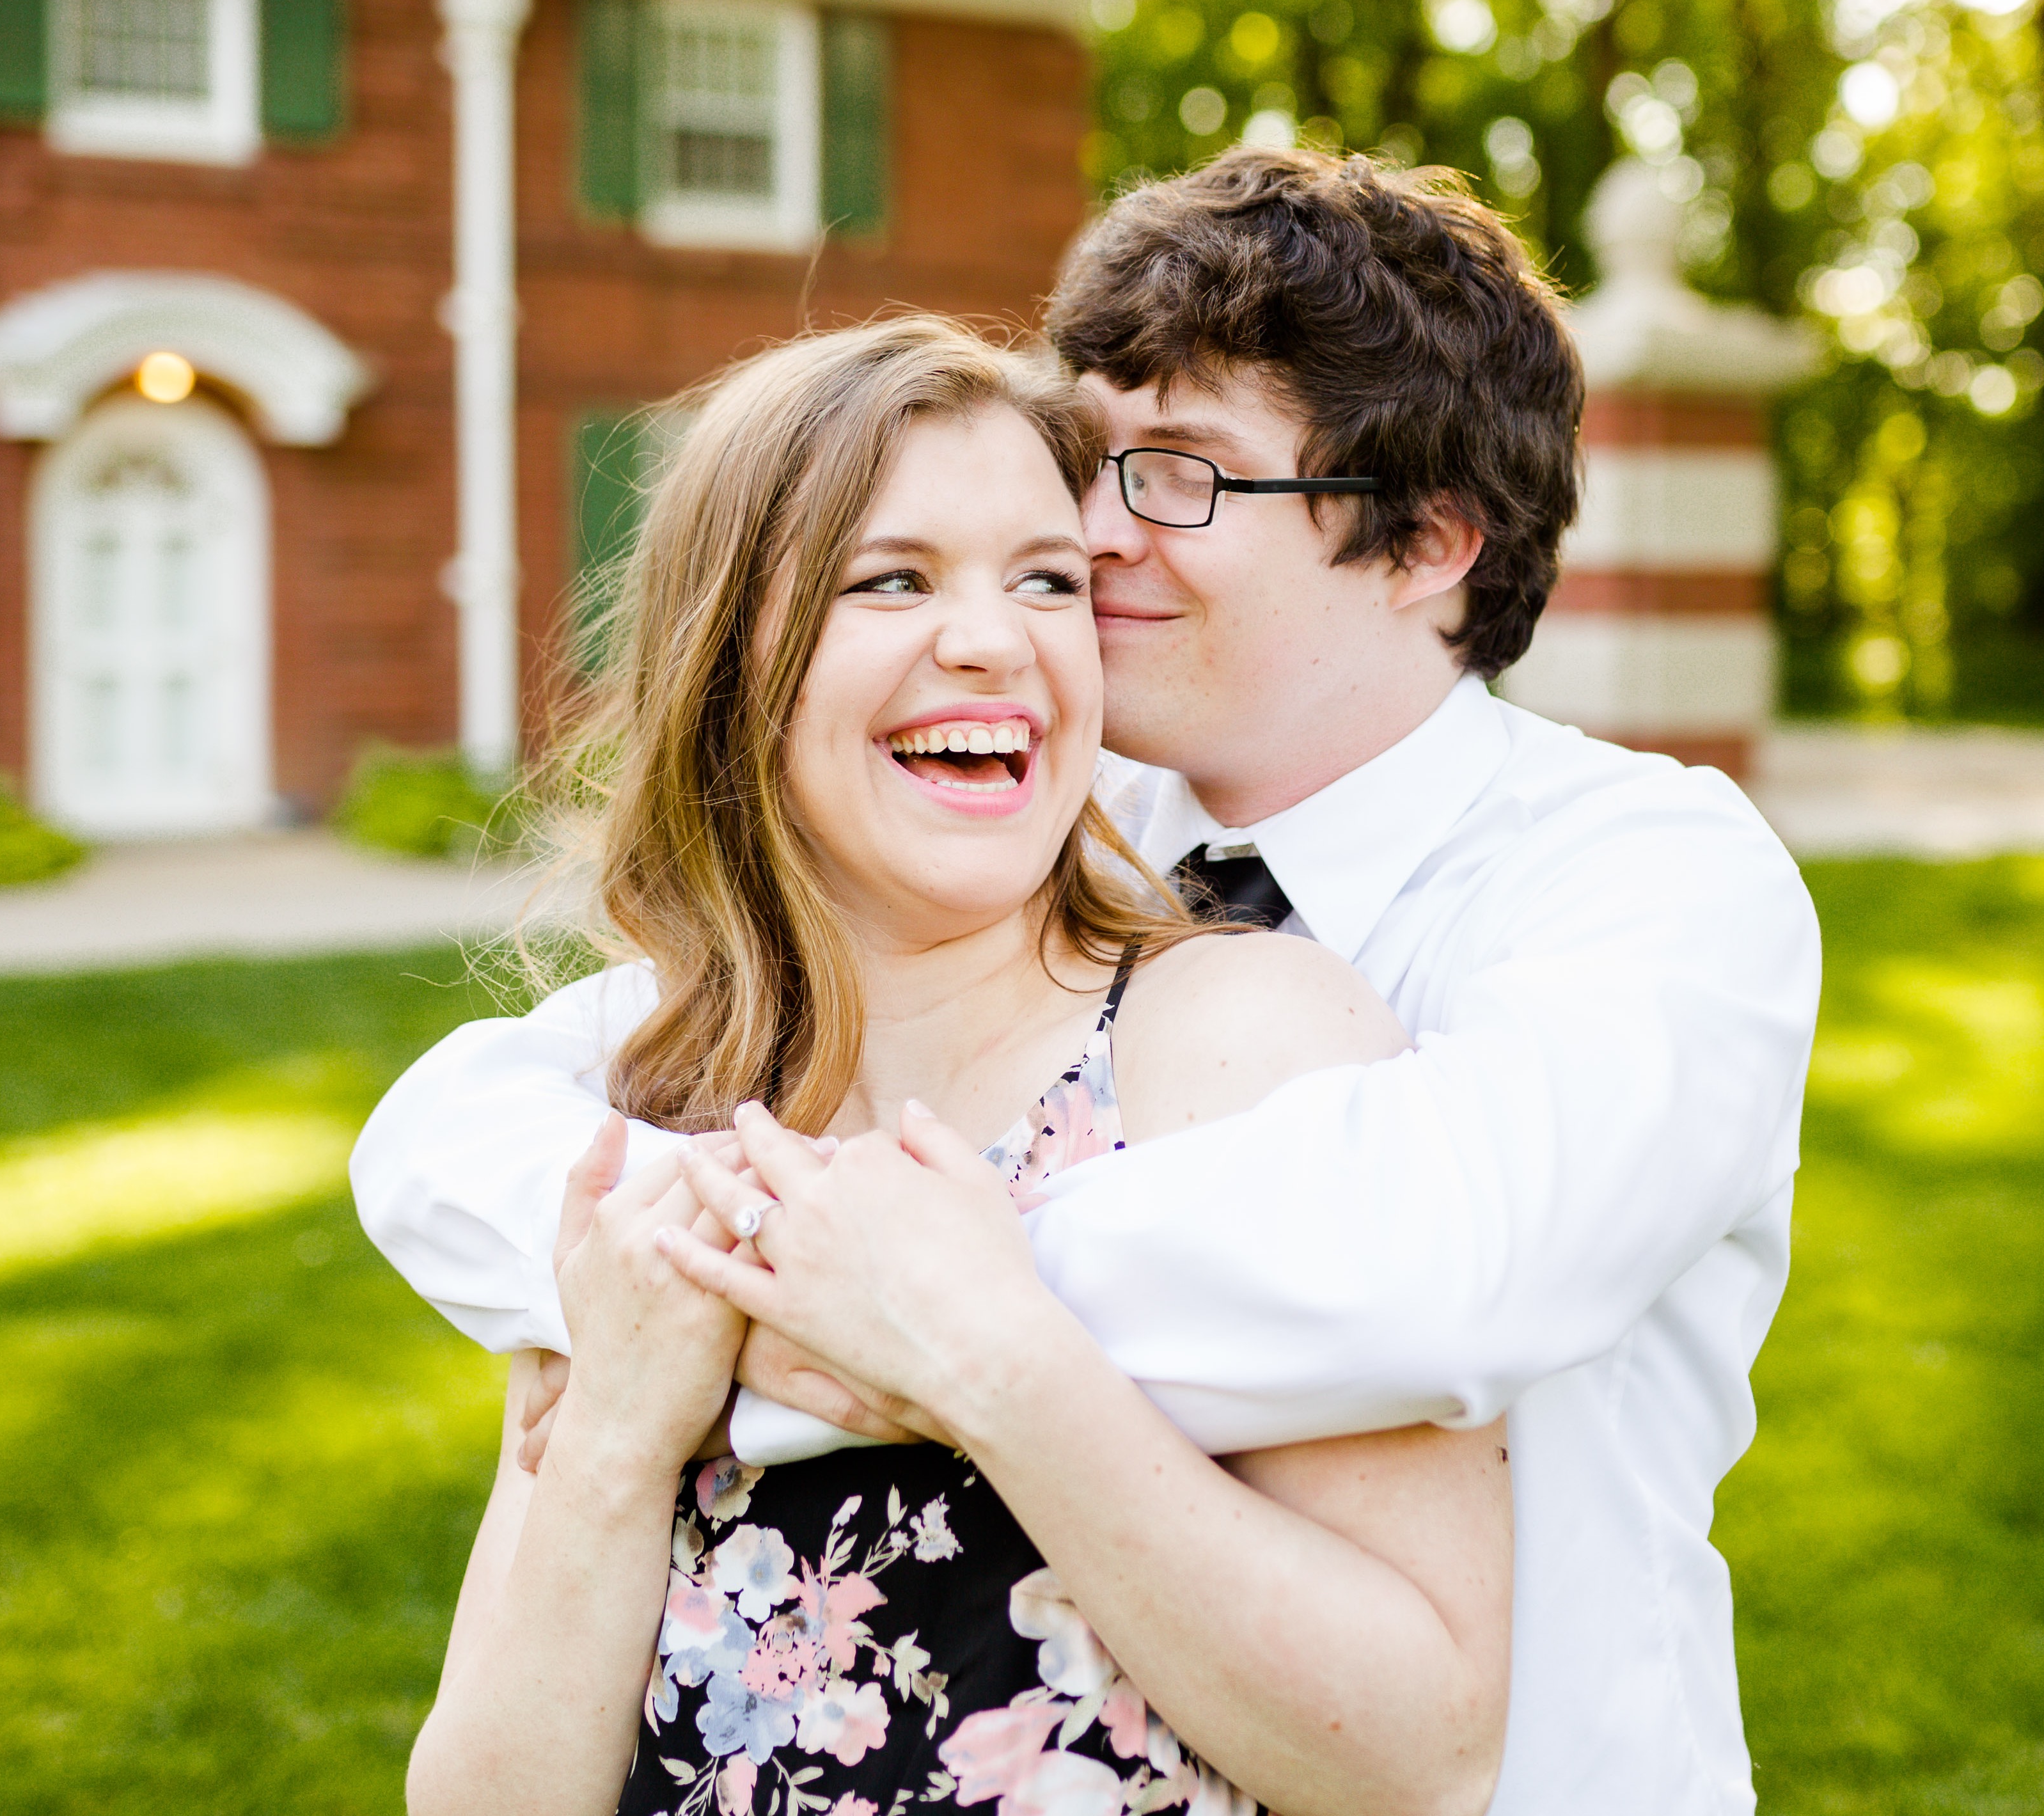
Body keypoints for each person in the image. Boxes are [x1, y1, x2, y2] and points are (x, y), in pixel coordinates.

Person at [358, 148, 1822, 1813]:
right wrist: (663, 1281)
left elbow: (1441, 1267)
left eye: (1182, 476)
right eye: (1093, 466)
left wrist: (899, 1294)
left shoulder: (1637, 875)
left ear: (1425, 539)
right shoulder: (1044, 831)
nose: (1096, 533)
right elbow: (473, 1117)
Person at [404, 317, 1516, 1816]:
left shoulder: (1244, 1043)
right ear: (736, 659)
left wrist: (988, 1357)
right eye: (893, 578)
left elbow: (1420, 1757)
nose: (998, 639)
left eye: (1048, 579)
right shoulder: (659, 1116)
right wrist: (616, 1423)